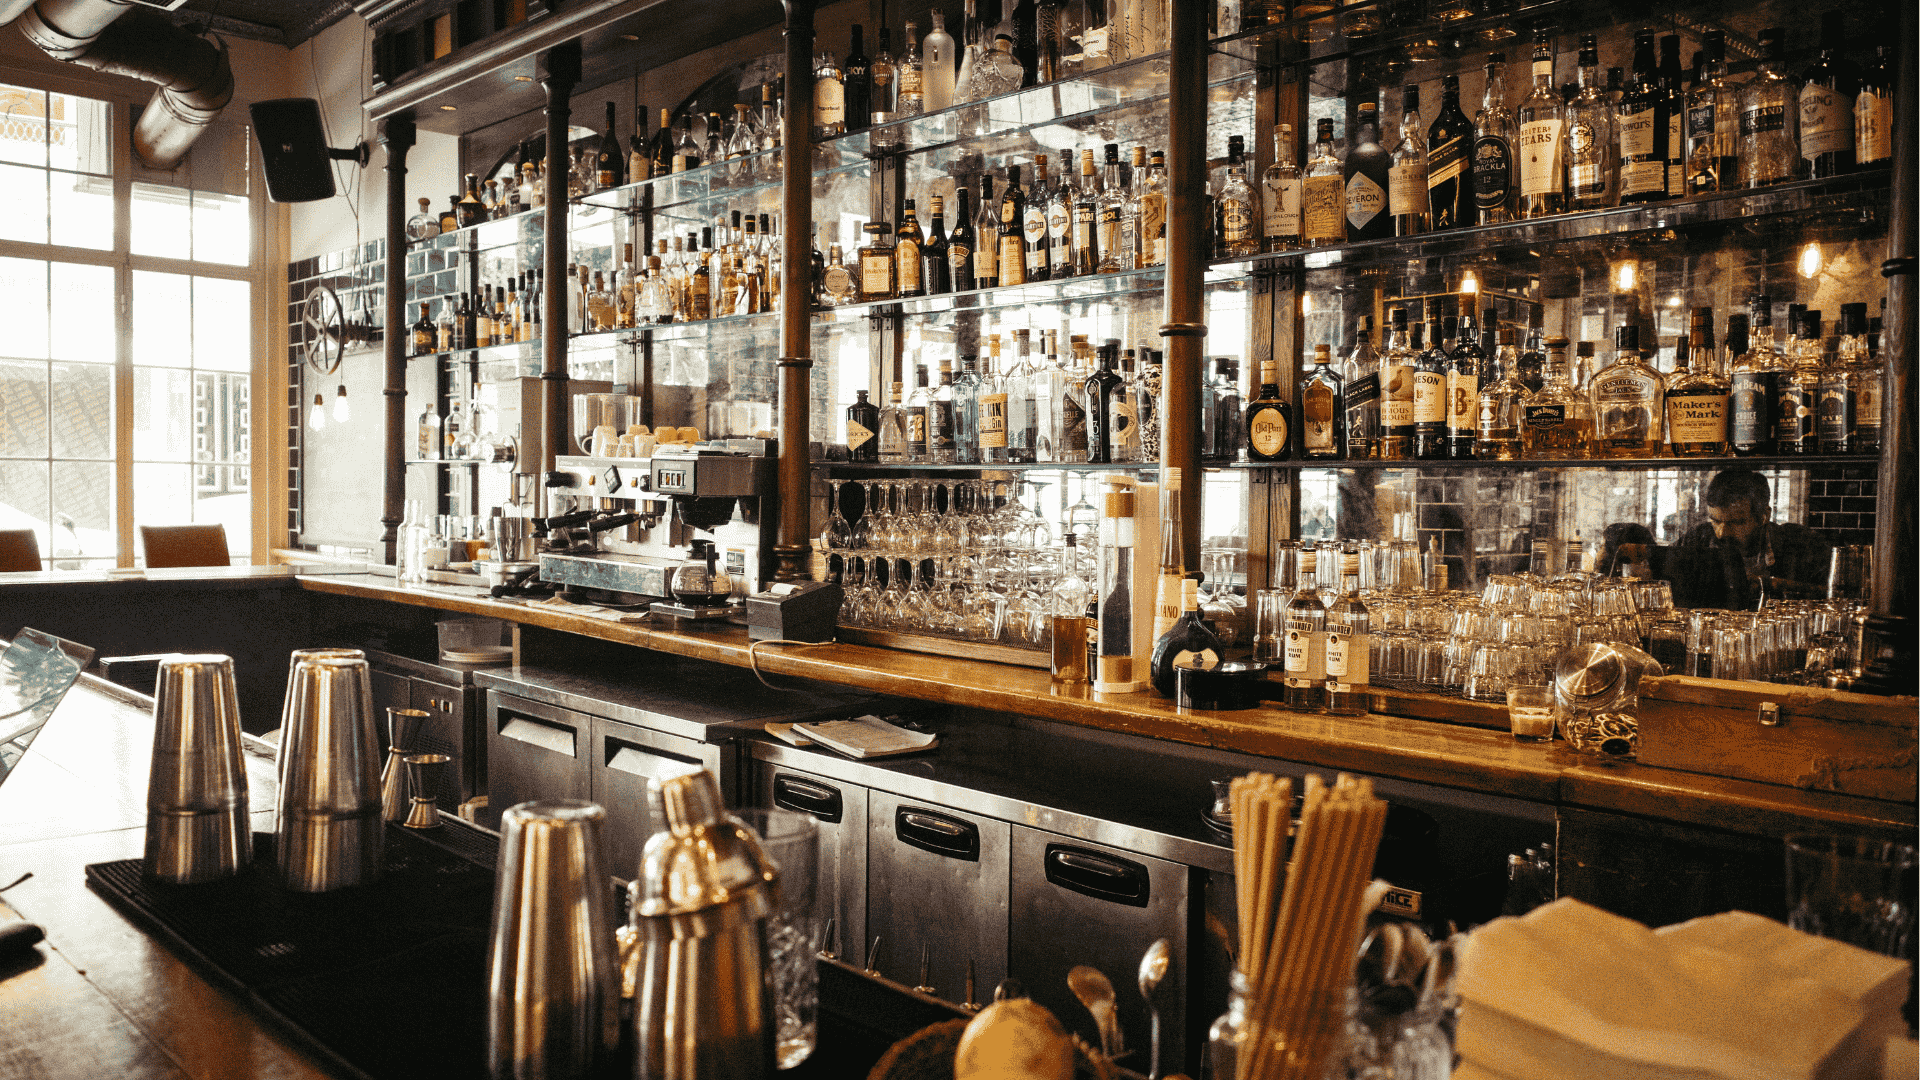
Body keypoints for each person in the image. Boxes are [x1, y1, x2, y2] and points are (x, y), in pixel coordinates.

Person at [1667, 470, 1832, 610]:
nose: (1722, 533)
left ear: (1764, 516)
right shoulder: (1698, 539)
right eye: (1715, 521)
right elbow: (1662, 580)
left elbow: (1835, 596)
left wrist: (1771, 585)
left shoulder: (1802, 545)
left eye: (1736, 522)